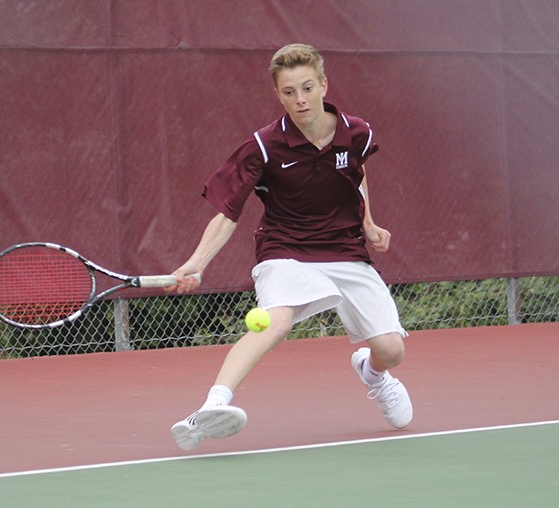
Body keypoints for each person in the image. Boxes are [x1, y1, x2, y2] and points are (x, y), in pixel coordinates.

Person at [169, 43, 412, 450]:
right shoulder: (263, 146)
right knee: (276, 321)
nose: (300, 100)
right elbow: (228, 212)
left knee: (392, 350)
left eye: (307, 88)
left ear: (323, 85)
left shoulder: (357, 131)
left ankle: (373, 375)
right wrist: (196, 263)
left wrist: (367, 223)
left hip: (344, 248)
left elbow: (358, 171)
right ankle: (210, 407)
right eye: (288, 92)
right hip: (286, 248)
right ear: (277, 94)